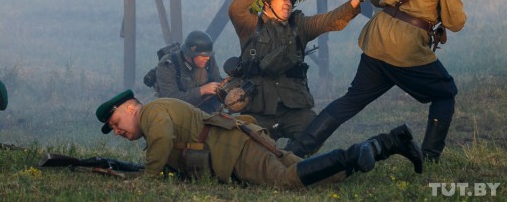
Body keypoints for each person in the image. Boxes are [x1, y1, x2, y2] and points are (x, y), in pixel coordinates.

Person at [290, 0, 467, 163]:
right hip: (407, 52)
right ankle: (430, 158)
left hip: (377, 43)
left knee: (351, 101)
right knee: (445, 93)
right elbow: (456, 23)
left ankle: (298, 150)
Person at [95, 90, 423, 189]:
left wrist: (146, 179)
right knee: (324, 179)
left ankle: (355, 154)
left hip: (236, 150)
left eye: (116, 122)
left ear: (130, 107)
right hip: (244, 139)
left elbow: (164, 139)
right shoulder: (157, 113)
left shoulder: (152, 113)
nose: (119, 131)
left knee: (284, 182)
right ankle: (389, 143)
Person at [227, 0, 369, 152]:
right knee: (251, 149)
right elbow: (236, 9)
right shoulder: (251, 25)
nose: (288, 2)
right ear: (266, 0)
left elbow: (330, 20)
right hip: (258, 110)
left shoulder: (299, 26)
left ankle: (293, 159)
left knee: (312, 136)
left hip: (294, 108)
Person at [155, 31, 222, 113]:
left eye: (209, 55)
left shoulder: (207, 59)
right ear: (191, 54)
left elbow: (217, 83)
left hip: (207, 109)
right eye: (203, 55)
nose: (207, 58)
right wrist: (201, 90)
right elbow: (170, 99)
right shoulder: (168, 65)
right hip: (178, 113)